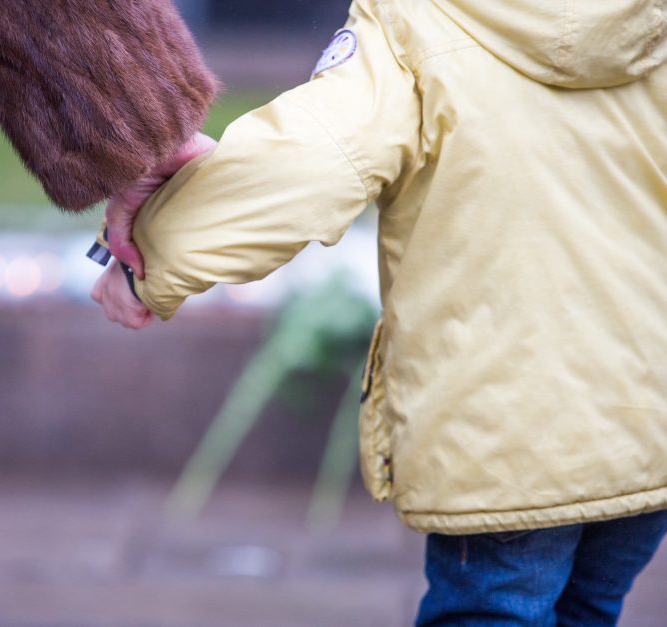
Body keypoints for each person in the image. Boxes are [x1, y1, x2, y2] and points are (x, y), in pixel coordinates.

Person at [91, 0, 667, 623]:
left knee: (493, 611)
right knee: (587, 607)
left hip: (507, 444)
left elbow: (304, 164)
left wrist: (148, 255)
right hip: (647, 421)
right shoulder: (646, 23)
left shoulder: (417, 23)